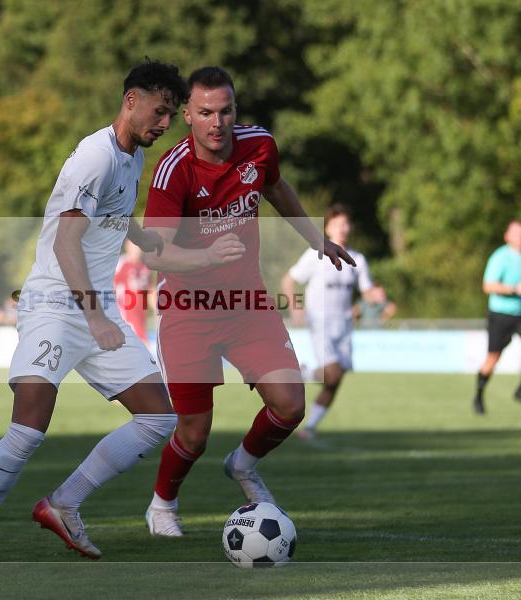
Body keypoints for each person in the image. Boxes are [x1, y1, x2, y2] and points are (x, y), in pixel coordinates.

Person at [0, 59, 188, 563]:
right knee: (28, 430)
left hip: (96, 306)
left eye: (171, 114)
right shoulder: (95, 156)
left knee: (159, 417)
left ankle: (64, 503)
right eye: (160, 110)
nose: (166, 122)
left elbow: (111, 212)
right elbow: (66, 243)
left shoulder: (131, 158)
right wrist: (96, 317)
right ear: (131, 100)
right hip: (56, 306)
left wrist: (142, 236)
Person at [140, 66, 353, 537]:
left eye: (226, 111)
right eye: (205, 113)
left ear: (235, 109)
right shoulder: (173, 170)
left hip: (246, 303)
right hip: (189, 311)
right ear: (187, 116)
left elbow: (275, 188)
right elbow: (155, 252)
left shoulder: (259, 145)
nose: (217, 123)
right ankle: (162, 504)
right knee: (194, 432)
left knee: (290, 404)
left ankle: (242, 463)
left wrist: (316, 239)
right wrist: (206, 255)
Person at [281, 204, 374, 443]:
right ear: (328, 228)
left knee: (335, 379)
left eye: (346, 224)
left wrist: (373, 298)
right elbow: (288, 280)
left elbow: (367, 292)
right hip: (320, 322)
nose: (342, 228)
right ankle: (304, 374)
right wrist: (295, 306)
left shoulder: (358, 259)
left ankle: (309, 427)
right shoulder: (316, 254)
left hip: (344, 326)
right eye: (337, 224)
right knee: (332, 372)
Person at [474, 220, 521, 414]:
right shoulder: (500, 257)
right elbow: (488, 286)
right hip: (501, 314)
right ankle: (479, 395)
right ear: (507, 236)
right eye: (516, 233)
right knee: (492, 359)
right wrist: (514, 289)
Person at [114, 239, 153, 342]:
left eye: (138, 247)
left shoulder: (145, 267)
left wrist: (157, 311)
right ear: (127, 247)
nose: (136, 250)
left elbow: (150, 291)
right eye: (133, 246)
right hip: (127, 313)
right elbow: (109, 286)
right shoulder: (121, 264)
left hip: (141, 313)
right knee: (141, 342)